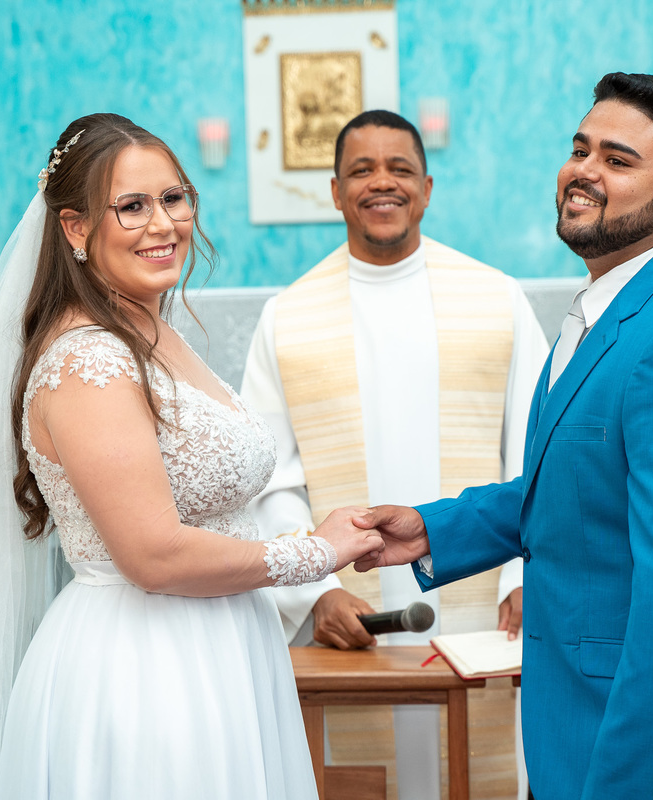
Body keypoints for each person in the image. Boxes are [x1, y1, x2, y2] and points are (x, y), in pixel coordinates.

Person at [0, 113, 382, 800]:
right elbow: (153, 555)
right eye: (132, 206)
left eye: (174, 198)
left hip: (223, 648)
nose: (163, 224)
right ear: (76, 228)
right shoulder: (88, 361)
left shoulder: (152, 329)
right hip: (147, 669)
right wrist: (314, 554)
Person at [355, 74, 653, 799]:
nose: (584, 171)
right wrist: (433, 529)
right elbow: (582, 487)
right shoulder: (617, 307)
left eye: (617, 160)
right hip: (582, 723)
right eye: (580, 150)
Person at [241, 110, 547, 799]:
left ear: (427, 188)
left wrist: (520, 576)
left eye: (400, 168)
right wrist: (317, 592)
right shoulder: (288, 318)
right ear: (335, 191)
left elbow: (534, 457)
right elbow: (269, 483)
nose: (382, 182)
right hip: (354, 619)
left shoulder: (496, 301)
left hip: (486, 612)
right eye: (362, 170)